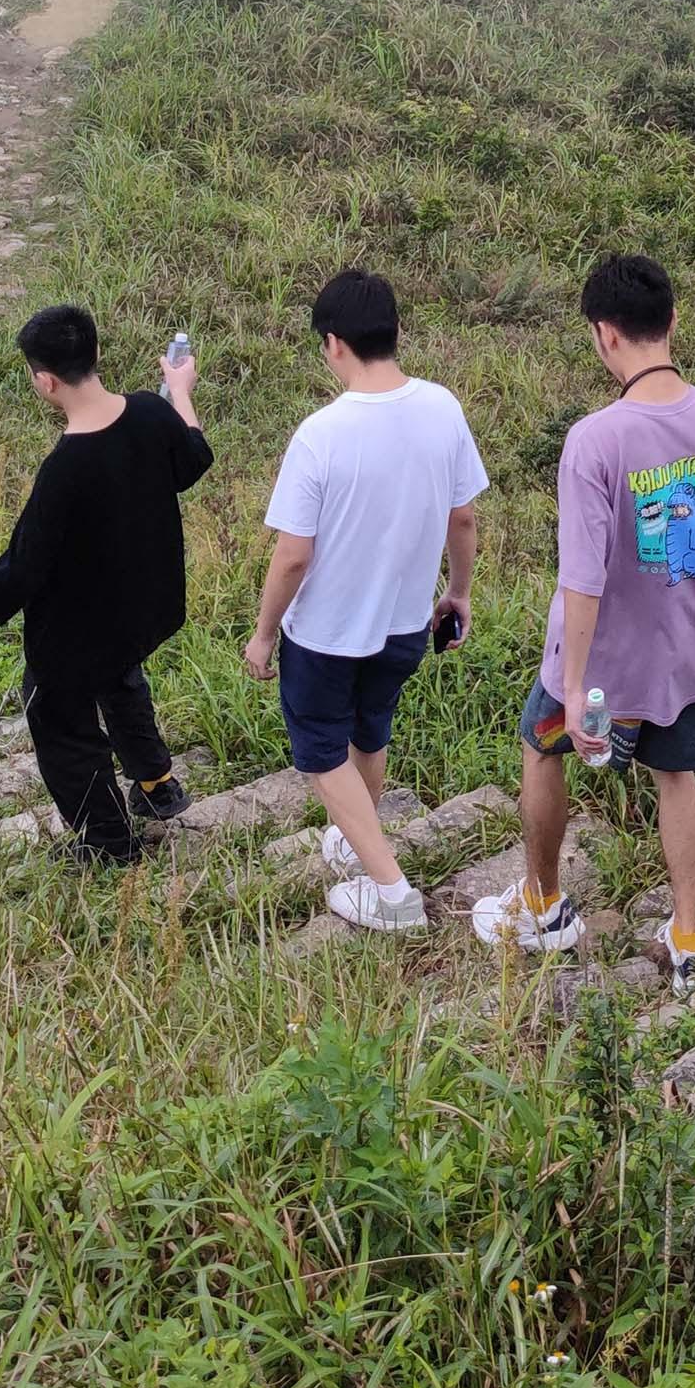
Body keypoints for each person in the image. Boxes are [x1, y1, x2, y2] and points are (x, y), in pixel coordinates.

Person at [470, 252, 695, 986]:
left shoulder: (596, 438)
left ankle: (545, 904)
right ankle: (688, 934)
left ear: (604, 335)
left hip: (602, 664)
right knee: (677, 777)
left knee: (542, 748)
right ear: (672, 321)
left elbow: (582, 576)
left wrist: (575, 682)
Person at [0, 303, 209, 862]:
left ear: (44, 381)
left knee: (58, 719)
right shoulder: (150, 412)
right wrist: (180, 390)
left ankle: (110, 844)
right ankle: (156, 783)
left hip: (79, 633)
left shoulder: (65, 470)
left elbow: (19, 573)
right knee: (121, 678)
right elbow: (193, 457)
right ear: (96, 355)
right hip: (144, 609)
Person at [244, 269, 489, 933]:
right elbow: (462, 518)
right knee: (369, 727)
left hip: (325, 631)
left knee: (323, 751)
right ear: (393, 332)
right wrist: (457, 591)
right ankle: (357, 841)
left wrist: (264, 634)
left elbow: (294, 554)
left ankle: (390, 891)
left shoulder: (321, 434)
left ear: (333, 344)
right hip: (405, 621)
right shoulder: (443, 407)